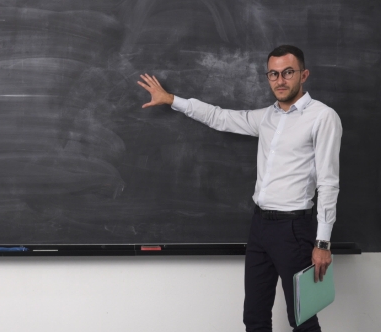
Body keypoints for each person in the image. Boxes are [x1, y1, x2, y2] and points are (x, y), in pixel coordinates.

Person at [137, 45, 341, 332]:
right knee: (255, 317)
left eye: (288, 72)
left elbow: (329, 182)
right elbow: (219, 117)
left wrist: (322, 243)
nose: (280, 80)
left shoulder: (322, 117)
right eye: (273, 74)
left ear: (303, 75)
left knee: (303, 317)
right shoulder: (267, 117)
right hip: (260, 227)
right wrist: (171, 99)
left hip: (295, 229)